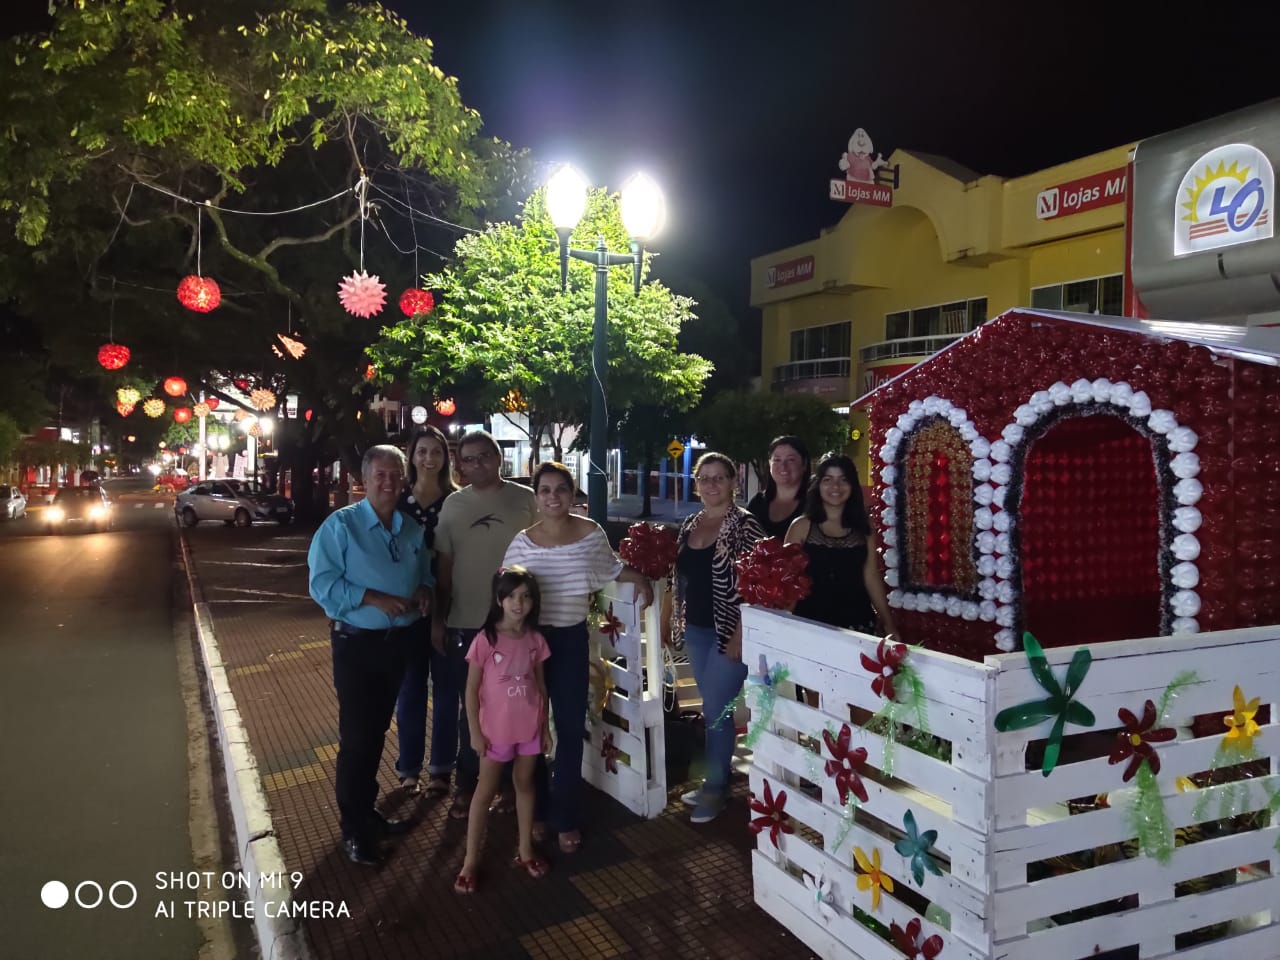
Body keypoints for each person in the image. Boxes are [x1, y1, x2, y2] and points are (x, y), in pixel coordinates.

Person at [502, 461, 654, 854]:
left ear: (573, 494)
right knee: (530, 729)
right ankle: (533, 809)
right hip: (528, 643)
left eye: (561, 489)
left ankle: (564, 815)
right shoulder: (522, 542)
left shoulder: (590, 533)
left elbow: (611, 569)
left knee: (570, 730)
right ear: (535, 497)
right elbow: (505, 593)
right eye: (545, 490)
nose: (553, 497)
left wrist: (638, 578)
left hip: (569, 642)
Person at [307, 445, 434, 866]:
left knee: (378, 733)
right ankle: (354, 830)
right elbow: (322, 586)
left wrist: (424, 592)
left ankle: (366, 811)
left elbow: (426, 574)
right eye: (381, 475)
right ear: (365, 478)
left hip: (399, 645)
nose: (389, 483)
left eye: (397, 475)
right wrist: (373, 598)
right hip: (357, 645)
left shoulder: (411, 529)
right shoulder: (340, 527)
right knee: (357, 739)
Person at [433, 430, 537, 820]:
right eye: (469, 459)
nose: (477, 465)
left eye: (484, 457)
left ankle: (514, 785)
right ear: (460, 464)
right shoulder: (453, 506)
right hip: (466, 623)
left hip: (516, 626)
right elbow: (444, 568)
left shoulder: (525, 499)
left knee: (517, 705)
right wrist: (439, 620)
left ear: (498, 458)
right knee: (473, 709)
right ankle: (469, 783)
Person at [670, 451, 765, 823]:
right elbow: (677, 578)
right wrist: (668, 618)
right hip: (696, 628)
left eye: (719, 478)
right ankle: (717, 778)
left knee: (715, 709)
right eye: (704, 478)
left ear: (733, 483)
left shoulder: (745, 525)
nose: (711, 484)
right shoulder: (690, 524)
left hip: (730, 630)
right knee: (715, 710)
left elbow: (759, 585)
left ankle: (716, 786)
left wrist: (742, 632)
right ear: (696, 485)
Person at [455, 566, 552, 893]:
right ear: (499, 600)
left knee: (525, 784)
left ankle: (525, 849)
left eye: (525, 597)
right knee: (484, 792)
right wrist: (474, 731)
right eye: (511, 596)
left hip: (529, 728)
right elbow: (470, 689)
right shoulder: (486, 640)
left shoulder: (535, 640)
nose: (518, 603)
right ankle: (470, 860)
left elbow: (540, 684)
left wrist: (545, 727)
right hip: (494, 732)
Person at [393, 426, 457, 798]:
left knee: (448, 691)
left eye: (436, 452)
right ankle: (408, 768)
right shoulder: (398, 500)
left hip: (447, 603)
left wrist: (441, 612)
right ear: (411, 456)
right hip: (406, 607)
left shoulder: (455, 501)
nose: (429, 459)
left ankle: (441, 769)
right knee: (410, 691)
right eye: (422, 451)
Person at [784, 454, 896, 636]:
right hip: (808, 625)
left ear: (852, 485)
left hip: (857, 624)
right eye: (828, 480)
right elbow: (788, 580)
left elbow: (871, 577)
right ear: (818, 485)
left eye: (843, 480)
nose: (835, 487)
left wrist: (888, 623)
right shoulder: (801, 526)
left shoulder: (864, 527)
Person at [746, 436, 810, 540]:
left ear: (804, 464)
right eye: (777, 460)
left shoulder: (815, 504)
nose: (783, 466)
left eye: (791, 460)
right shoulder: (757, 503)